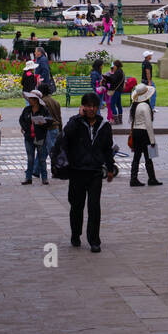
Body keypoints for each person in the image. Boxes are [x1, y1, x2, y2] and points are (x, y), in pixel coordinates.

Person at [62, 93, 118, 251]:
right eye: (88, 106)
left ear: (98, 107)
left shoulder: (104, 125)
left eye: (94, 106)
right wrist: (77, 118)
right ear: (83, 107)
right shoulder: (76, 123)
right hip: (77, 171)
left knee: (94, 206)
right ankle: (75, 234)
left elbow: (108, 148)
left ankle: (94, 240)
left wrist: (110, 167)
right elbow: (66, 136)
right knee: (76, 205)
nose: (91, 109)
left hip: (94, 172)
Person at [128, 83, 161, 186]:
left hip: (136, 132)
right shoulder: (145, 106)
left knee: (136, 157)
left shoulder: (135, 105)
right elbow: (148, 124)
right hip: (144, 132)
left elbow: (131, 121)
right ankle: (152, 178)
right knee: (148, 157)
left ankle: (133, 179)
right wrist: (152, 140)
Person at [19, 90, 53, 184]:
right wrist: (24, 127)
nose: (29, 100)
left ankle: (44, 178)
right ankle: (28, 178)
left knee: (42, 159)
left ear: (36, 100)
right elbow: (21, 119)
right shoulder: (27, 110)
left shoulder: (43, 110)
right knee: (30, 158)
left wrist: (44, 122)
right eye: (29, 98)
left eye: (31, 99)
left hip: (40, 137)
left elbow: (50, 119)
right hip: (29, 137)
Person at [105, 59, 125, 123]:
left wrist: (106, 78)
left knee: (112, 105)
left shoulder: (117, 72)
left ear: (116, 65)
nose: (113, 67)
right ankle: (120, 120)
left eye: (114, 65)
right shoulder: (121, 71)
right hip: (119, 90)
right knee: (119, 105)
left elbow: (113, 80)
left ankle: (116, 120)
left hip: (115, 90)